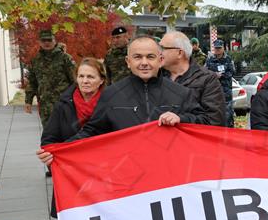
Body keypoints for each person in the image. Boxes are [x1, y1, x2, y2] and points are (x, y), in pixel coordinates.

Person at [36, 37, 204, 163]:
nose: (144, 62)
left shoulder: (181, 93)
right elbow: (92, 131)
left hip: (169, 172)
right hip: (128, 176)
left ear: (160, 60)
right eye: (137, 57)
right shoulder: (111, 95)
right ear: (128, 62)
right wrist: (58, 151)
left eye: (150, 57)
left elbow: (203, 124)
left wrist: (181, 119)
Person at [40, 57, 106, 217]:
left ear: (101, 80)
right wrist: (50, 159)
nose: (85, 81)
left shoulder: (111, 103)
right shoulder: (63, 104)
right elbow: (49, 140)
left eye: (90, 77)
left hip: (104, 177)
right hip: (72, 179)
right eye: (81, 76)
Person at [161, 31, 226, 126]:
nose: (158, 52)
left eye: (163, 48)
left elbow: (215, 120)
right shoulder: (156, 76)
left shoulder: (207, 79)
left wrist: (182, 120)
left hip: (190, 140)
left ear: (179, 53)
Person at [24, 29, 76, 128]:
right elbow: (32, 82)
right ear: (39, 42)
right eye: (43, 40)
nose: (47, 43)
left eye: (49, 40)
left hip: (63, 104)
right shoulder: (36, 61)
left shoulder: (65, 58)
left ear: (54, 41)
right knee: (48, 134)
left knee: (65, 132)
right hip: (45, 106)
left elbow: (75, 81)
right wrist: (28, 101)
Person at [205, 39, 235, 127]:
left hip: (226, 92)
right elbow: (205, 72)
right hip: (213, 91)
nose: (217, 50)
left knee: (228, 114)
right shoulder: (210, 59)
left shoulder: (228, 59)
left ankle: (229, 131)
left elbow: (232, 72)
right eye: (216, 48)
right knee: (215, 113)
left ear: (223, 48)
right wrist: (214, 75)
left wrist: (222, 75)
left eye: (219, 48)